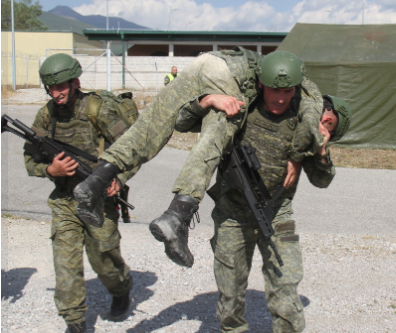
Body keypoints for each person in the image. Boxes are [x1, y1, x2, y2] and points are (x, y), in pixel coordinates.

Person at [74, 48, 325, 269]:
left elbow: (182, 122)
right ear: (262, 83)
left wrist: (206, 100)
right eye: (275, 90)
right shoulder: (307, 90)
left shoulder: (270, 67)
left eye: (286, 91)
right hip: (227, 74)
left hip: (205, 61)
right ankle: (177, 215)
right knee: (217, 133)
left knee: (150, 125)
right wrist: (295, 156)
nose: (281, 98)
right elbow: (311, 124)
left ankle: (96, 181)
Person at [198, 86, 350, 333]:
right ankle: (232, 332)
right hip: (233, 214)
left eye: (329, 127)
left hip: (277, 214)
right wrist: (209, 99)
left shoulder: (308, 135)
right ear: (324, 106)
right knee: (230, 286)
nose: (323, 124)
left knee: (286, 279)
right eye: (326, 119)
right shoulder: (271, 100)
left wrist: (321, 150)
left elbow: (322, 181)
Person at [23, 54, 138, 333]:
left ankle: (121, 288)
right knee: (65, 263)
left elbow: (133, 148)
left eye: (61, 86)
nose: (56, 93)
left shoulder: (97, 110)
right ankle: (75, 324)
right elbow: (29, 159)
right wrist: (51, 169)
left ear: (76, 82)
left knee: (104, 259)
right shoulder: (46, 115)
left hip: (100, 199)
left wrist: (117, 179)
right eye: (51, 88)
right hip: (64, 201)